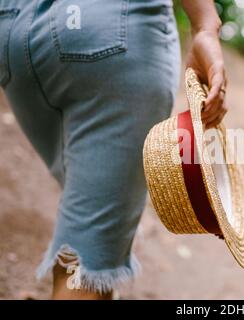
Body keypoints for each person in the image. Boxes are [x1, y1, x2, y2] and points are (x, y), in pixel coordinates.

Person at [0, 0, 227, 299]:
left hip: (13, 30)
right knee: (88, 248)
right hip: (111, 33)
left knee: (90, 210)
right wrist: (205, 25)